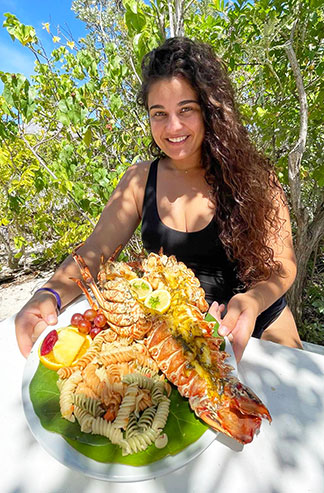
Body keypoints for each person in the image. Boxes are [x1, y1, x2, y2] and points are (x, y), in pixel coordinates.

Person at [15, 37, 303, 362]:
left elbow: (283, 264)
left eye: (186, 110)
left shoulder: (256, 177)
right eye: (159, 113)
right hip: (179, 335)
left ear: (210, 110)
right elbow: (93, 254)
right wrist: (48, 294)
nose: (173, 126)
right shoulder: (139, 181)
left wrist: (253, 300)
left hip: (262, 322)